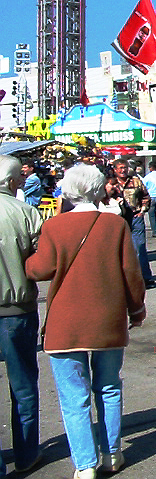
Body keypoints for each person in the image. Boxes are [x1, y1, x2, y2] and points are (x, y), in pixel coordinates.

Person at [25, 162, 146, 479]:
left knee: (74, 398)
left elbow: (39, 270)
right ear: (97, 188)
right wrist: (137, 309)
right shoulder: (115, 225)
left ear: (67, 190)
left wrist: (26, 259)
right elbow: (131, 274)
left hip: (66, 323)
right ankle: (112, 454)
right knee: (108, 388)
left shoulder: (54, 227)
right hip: (108, 319)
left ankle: (85, 464)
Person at [0, 156, 43, 473]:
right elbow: (41, 265)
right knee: (23, 386)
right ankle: (27, 454)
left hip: (16, 309)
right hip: (18, 309)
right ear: (15, 181)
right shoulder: (27, 213)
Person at [112, 158, 154, 288]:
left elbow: (146, 197)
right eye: (120, 168)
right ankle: (122, 279)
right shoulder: (110, 183)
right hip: (118, 219)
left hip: (135, 217)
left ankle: (145, 278)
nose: (123, 170)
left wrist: (142, 211)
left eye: (125, 167)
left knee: (139, 247)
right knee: (118, 250)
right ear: (115, 170)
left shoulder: (135, 181)